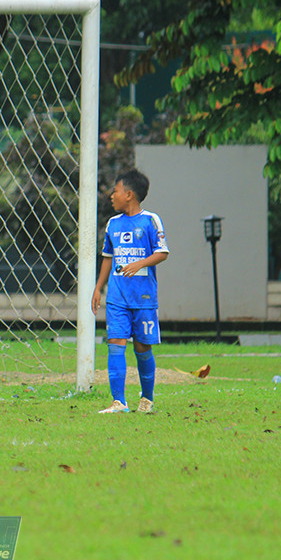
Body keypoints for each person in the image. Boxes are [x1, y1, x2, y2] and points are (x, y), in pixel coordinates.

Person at [91, 169, 169, 414]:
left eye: (115, 191)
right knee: (115, 343)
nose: (111, 196)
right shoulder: (113, 224)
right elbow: (107, 257)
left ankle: (147, 399)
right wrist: (98, 288)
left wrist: (140, 263)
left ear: (129, 194)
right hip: (117, 297)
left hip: (144, 298)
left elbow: (163, 252)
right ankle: (119, 402)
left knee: (142, 347)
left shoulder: (150, 220)